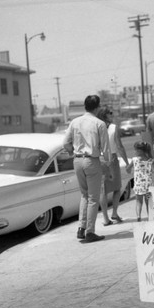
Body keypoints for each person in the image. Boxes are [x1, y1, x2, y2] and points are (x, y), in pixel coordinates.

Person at [63, 94, 110, 243]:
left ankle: (81, 227)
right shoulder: (99, 123)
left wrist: (72, 152)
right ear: (97, 107)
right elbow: (106, 148)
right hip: (91, 160)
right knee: (93, 198)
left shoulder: (75, 122)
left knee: (84, 195)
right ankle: (90, 231)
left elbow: (65, 143)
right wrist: (107, 163)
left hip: (77, 161)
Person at [97, 106, 130, 226]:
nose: (112, 114)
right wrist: (127, 162)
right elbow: (119, 146)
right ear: (105, 115)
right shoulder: (113, 127)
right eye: (110, 113)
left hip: (99, 159)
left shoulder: (96, 127)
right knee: (117, 188)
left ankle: (105, 218)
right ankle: (114, 213)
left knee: (103, 191)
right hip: (112, 158)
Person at [126, 141, 154, 221]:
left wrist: (128, 169)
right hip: (148, 186)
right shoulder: (151, 161)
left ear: (140, 151)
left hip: (138, 185)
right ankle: (149, 217)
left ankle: (138, 216)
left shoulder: (134, 160)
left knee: (138, 202)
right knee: (148, 203)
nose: (134, 152)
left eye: (135, 150)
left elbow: (128, 169)